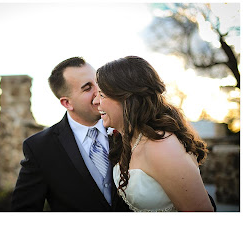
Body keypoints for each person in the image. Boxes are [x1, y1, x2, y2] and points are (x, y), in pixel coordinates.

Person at [93, 56, 215, 212]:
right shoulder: (130, 139)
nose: (96, 101)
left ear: (127, 99)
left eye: (102, 94)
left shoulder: (162, 147)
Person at [11, 57, 129, 211]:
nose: (100, 91)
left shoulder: (127, 127)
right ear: (67, 103)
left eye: (98, 82)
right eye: (87, 88)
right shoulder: (40, 148)